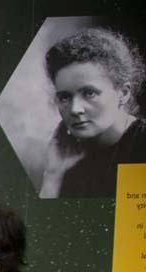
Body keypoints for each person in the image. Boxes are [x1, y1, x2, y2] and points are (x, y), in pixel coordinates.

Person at [39, 27, 146, 198]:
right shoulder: (68, 160)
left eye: (89, 93)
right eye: (65, 97)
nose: (75, 109)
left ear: (123, 93)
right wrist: (53, 175)